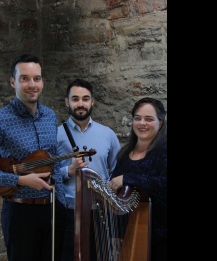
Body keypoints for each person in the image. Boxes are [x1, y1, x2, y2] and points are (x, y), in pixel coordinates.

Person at [0, 54, 66, 261]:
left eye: (37, 78)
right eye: (24, 78)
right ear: (13, 82)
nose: (32, 84)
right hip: (20, 212)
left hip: (53, 210)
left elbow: (55, 162)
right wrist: (20, 180)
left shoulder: (50, 116)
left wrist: (61, 204)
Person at [57, 78, 122, 261]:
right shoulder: (57, 134)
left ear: (92, 101)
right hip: (69, 211)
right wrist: (69, 170)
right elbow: (48, 174)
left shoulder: (107, 134)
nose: (80, 104)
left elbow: (117, 169)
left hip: (100, 211)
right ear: (66, 102)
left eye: (85, 99)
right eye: (75, 98)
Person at [109, 97, 167, 261]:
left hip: (161, 238)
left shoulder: (163, 152)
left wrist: (129, 178)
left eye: (149, 119)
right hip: (129, 234)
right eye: (138, 118)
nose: (142, 123)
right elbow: (116, 198)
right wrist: (116, 233)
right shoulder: (124, 155)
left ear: (160, 123)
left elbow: (163, 184)